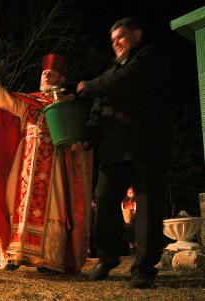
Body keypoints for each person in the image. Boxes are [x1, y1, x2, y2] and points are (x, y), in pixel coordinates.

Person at [0, 54, 93, 273]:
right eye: (44, 72)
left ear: (61, 78)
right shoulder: (30, 102)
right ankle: (16, 254)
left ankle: (47, 259)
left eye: (52, 73)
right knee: (20, 203)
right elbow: (5, 99)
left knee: (54, 206)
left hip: (55, 163)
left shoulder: (68, 104)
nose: (46, 75)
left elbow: (79, 134)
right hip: (26, 163)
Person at [77, 18, 172, 288]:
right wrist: (89, 135)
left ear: (137, 35)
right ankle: (107, 257)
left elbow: (124, 81)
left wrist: (89, 85)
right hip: (114, 148)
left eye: (121, 36)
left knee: (147, 207)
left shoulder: (148, 58)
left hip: (146, 145)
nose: (116, 43)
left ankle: (143, 269)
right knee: (104, 199)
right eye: (113, 39)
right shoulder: (111, 71)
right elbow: (98, 108)